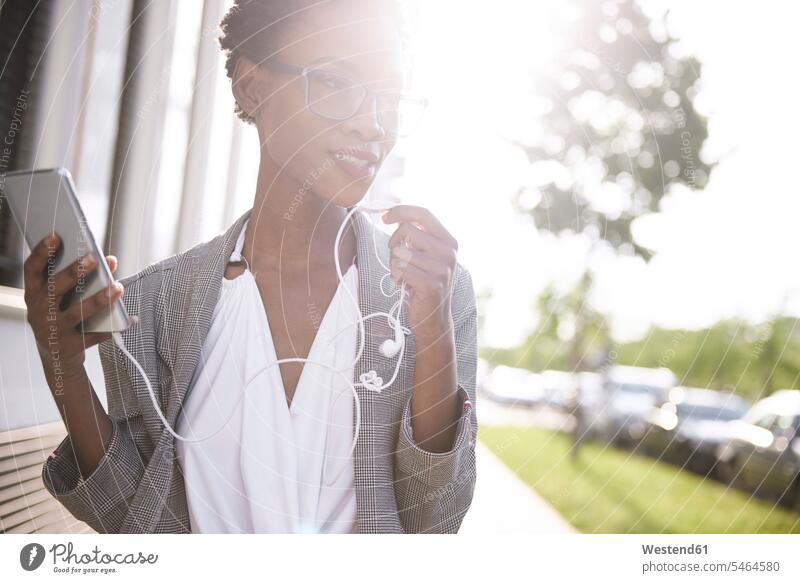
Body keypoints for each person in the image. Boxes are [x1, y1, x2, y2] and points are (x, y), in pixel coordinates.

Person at [25, 0, 477, 533]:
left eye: (389, 97)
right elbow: (131, 520)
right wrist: (64, 368)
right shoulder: (152, 304)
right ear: (252, 87)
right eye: (336, 82)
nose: (372, 124)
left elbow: (438, 517)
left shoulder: (433, 292)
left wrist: (432, 327)